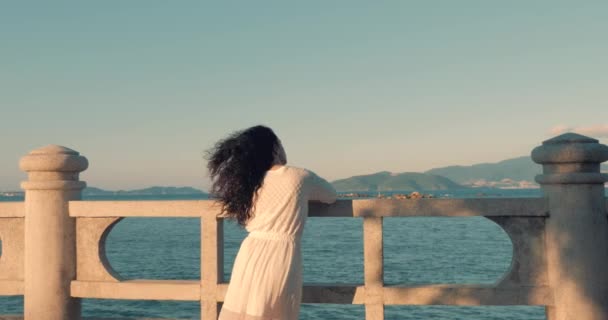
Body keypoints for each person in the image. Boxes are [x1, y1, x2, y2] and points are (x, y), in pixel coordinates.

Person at [206, 125, 337, 320]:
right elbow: (331, 195)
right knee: (275, 311)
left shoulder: (249, 182)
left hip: (250, 253)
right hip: (280, 254)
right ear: (274, 148)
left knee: (245, 311)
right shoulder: (298, 176)